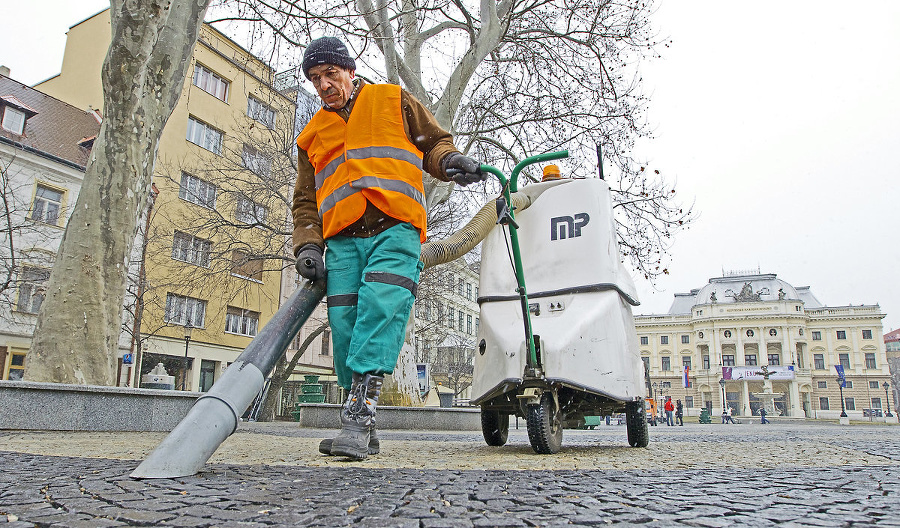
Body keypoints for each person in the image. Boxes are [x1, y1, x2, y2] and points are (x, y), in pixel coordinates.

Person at [292, 37, 486, 460]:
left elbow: (433, 143)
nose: (323, 84)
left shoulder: (392, 100)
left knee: (381, 307)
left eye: (330, 73)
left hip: (394, 228)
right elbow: (306, 202)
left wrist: (449, 162)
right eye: (314, 78)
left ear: (349, 70)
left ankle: (356, 422)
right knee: (344, 326)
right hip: (342, 241)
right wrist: (308, 246)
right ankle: (365, 427)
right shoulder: (311, 136)